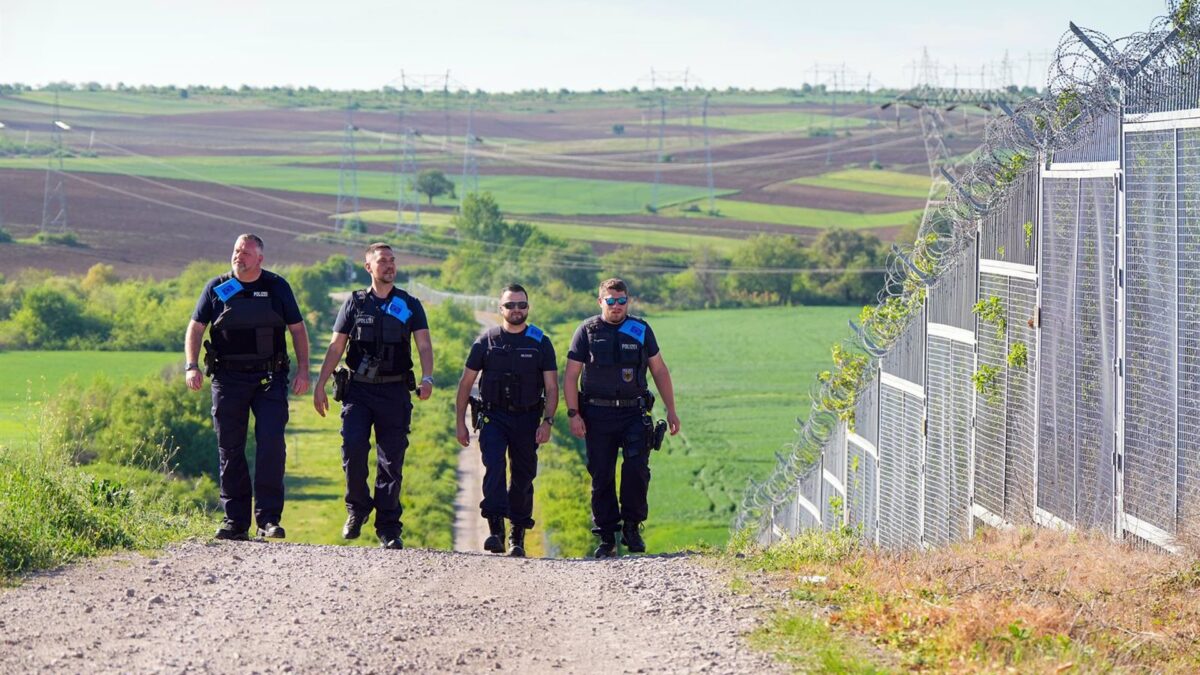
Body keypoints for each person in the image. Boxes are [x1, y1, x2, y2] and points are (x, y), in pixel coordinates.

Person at [185, 234, 310, 541]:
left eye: (246, 253)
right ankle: (235, 521)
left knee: (270, 446)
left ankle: (268, 520)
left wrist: (304, 370)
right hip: (228, 380)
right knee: (230, 448)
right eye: (236, 251)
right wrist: (191, 365)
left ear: (260, 259)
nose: (238, 256)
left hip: (270, 379)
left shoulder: (277, 287)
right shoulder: (216, 287)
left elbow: (297, 329)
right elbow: (196, 327)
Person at [313, 243, 434, 550]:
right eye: (382, 261)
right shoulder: (355, 304)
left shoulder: (409, 304)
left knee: (391, 462)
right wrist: (320, 384)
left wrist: (427, 376)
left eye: (392, 260)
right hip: (358, 391)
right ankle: (357, 509)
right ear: (369, 267)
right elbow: (336, 347)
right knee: (353, 449)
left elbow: (423, 346)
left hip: (394, 391)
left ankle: (389, 527)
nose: (390, 265)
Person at [563, 278, 680, 558]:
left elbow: (660, 370)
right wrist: (573, 413)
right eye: (611, 301)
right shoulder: (587, 331)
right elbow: (570, 375)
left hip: (632, 412)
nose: (617, 306)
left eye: (622, 301)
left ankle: (631, 526)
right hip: (597, 414)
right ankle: (606, 536)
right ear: (600, 302)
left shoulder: (640, 330)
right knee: (601, 475)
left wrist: (671, 410)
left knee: (636, 470)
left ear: (628, 300)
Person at [454, 284, 558, 557]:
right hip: (494, 417)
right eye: (510, 305)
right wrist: (460, 422)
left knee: (523, 477)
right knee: (495, 468)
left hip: (527, 419)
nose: (516, 310)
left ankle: (517, 536)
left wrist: (547, 421)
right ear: (500, 309)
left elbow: (552, 387)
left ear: (528, 307)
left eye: (521, 305)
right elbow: (466, 384)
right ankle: (496, 531)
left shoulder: (540, 342)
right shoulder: (486, 341)